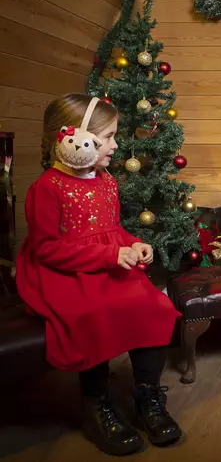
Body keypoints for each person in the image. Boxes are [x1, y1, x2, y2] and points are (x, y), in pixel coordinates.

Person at [16, 94, 183, 456]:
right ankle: (96, 403)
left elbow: (113, 229)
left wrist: (134, 243)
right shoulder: (47, 188)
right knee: (91, 314)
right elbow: (47, 249)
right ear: (73, 139)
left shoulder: (106, 180)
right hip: (63, 270)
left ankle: (147, 396)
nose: (116, 144)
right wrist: (110, 254)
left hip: (104, 262)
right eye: (109, 137)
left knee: (153, 304)